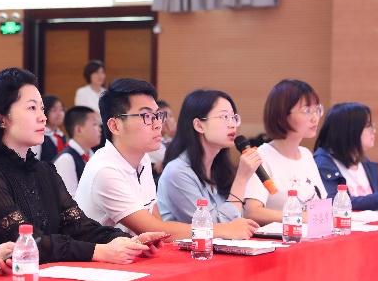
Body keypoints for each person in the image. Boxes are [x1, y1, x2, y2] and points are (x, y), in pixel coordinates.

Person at [0, 68, 167, 265]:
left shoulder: (44, 171)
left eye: (42, 109)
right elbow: (29, 243)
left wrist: (128, 241)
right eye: (32, 108)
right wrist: (98, 251)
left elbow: (80, 227)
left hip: (46, 278)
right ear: (2, 117)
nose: (43, 117)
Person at [76, 79, 255, 240]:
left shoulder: (143, 160)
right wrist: (223, 229)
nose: (158, 124)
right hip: (97, 263)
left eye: (158, 115)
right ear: (115, 126)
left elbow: (156, 223)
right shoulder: (105, 170)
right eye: (146, 116)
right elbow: (154, 229)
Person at [157, 90, 264, 234]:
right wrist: (241, 179)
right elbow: (215, 228)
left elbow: (237, 222)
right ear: (199, 125)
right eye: (224, 117)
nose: (232, 124)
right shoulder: (177, 172)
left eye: (233, 117)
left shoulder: (218, 169)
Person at [244, 79, 328, 223]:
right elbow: (252, 212)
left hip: (310, 233)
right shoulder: (262, 156)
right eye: (307, 111)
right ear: (281, 115)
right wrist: (300, 218)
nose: (315, 118)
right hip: (280, 235)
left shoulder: (306, 154)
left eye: (317, 110)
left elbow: (321, 203)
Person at [313, 102, 378, 210]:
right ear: (349, 130)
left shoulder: (366, 163)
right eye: (368, 126)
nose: (373, 131)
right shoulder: (323, 164)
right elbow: (334, 203)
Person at [53, 105, 100, 196]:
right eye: (95, 124)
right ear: (79, 130)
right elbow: (69, 200)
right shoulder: (66, 159)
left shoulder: (93, 154)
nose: (99, 128)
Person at [149, 99, 175, 179]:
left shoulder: (168, 139)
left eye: (171, 116)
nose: (169, 120)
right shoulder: (152, 142)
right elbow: (175, 159)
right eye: (164, 116)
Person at [37, 95, 67, 162]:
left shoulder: (61, 135)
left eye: (61, 109)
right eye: (54, 110)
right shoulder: (38, 136)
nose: (59, 114)